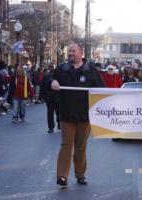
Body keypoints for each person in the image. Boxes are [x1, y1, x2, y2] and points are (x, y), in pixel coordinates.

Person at [51, 41, 105, 187]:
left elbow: (101, 89)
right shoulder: (61, 69)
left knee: (80, 146)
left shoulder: (91, 70)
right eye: (69, 51)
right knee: (66, 145)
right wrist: (53, 81)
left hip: (84, 115)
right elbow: (50, 79)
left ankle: (80, 174)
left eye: (73, 51)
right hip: (67, 115)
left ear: (81, 53)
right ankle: (62, 176)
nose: (70, 54)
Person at [40, 64, 60, 133]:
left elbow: (42, 87)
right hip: (50, 97)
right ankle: (51, 127)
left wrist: (41, 96)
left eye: (52, 67)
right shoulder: (46, 76)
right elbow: (42, 86)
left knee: (56, 112)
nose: (51, 68)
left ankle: (57, 125)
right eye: (50, 67)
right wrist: (41, 96)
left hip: (55, 97)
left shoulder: (57, 76)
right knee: (52, 113)